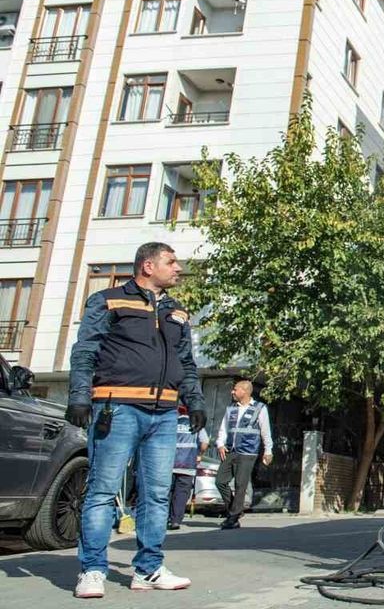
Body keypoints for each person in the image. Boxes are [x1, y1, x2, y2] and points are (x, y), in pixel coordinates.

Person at [65, 242, 205, 598]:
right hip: (117, 410)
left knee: (157, 495)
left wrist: (196, 402)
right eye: (171, 262)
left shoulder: (178, 313)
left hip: (164, 415)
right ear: (147, 265)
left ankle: (148, 569)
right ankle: (92, 570)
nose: (178, 269)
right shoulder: (109, 300)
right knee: (101, 491)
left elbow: (186, 363)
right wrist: (80, 397)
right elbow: (85, 351)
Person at [215, 379, 273, 529]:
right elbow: (223, 428)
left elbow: (265, 432)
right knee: (220, 481)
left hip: (248, 452)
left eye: (235, 389)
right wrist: (220, 444)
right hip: (230, 451)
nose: (232, 392)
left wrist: (268, 451)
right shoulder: (231, 409)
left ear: (245, 391)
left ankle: (233, 518)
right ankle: (235, 509)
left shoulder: (260, 408)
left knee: (240, 485)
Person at [169, 405, 209, 530]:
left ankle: (163, 518)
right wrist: (200, 455)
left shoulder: (172, 422)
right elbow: (204, 443)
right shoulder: (196, 423)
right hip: (188, 464)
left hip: (170, 464)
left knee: (167, 493)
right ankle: (176, 520)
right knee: (181, 494)